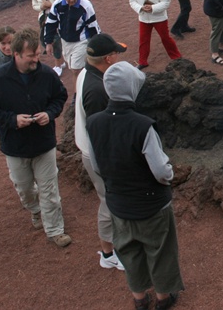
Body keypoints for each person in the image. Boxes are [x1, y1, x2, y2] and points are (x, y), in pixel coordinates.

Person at [86, 62, 184, 310]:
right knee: (159, 251)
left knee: (129, 253)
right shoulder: (142, 125)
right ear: (132, 88)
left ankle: (139, 299)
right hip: (151, 206)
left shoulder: (94, 122)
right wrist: (170, 174)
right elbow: (161, 171)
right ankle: (163, 299)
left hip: (118, 204)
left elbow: (97, 165)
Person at [0, 27, 72, 247]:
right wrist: (12, 120)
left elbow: (60, 96)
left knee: (49, 188)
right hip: (15, 146)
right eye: (31, 56)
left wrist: (49, 113)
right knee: (25, 188)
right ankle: (35, 210)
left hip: (44, 143)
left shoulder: (46, 74)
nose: (36, 59)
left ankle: (55, 229)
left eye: (38, 54)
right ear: (17, 54)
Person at [74, 33, 128, 271]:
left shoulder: (87, 73)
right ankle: (109, 254)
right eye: (116, 53)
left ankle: (114, 248)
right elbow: (100, 133)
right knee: (109, 201)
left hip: (91, 149)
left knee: (110, 199)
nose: (118, 56)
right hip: (97, 154)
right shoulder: (96, 90)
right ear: (108, 58)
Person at [129, 0, 182, 69]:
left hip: (159, 18)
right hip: (144, 18)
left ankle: (176, 57)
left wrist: (153, 8)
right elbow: (132, 1)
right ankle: (142, 61)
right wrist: (140, 8)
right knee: (143, 40)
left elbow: (166, 2)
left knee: (165, 38)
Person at [44, 0, 100, 79]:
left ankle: (78, 93)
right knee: (73, 67)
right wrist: (48, 42)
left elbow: (93, 26)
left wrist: (96, 43)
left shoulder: (86, 5)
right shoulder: (57, 5)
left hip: (81, 40)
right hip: (65, 41)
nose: (71, 0)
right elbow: (51, 24)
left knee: (76, 69)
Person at [31, 0, 66, 75]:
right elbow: (34, 5)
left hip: (56, 19)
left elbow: (63, 4)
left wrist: (51, 5)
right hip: (43, 20)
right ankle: (61, 61)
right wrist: (42, 7)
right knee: (44, 40)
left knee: (54, 41)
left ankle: (58, 66)